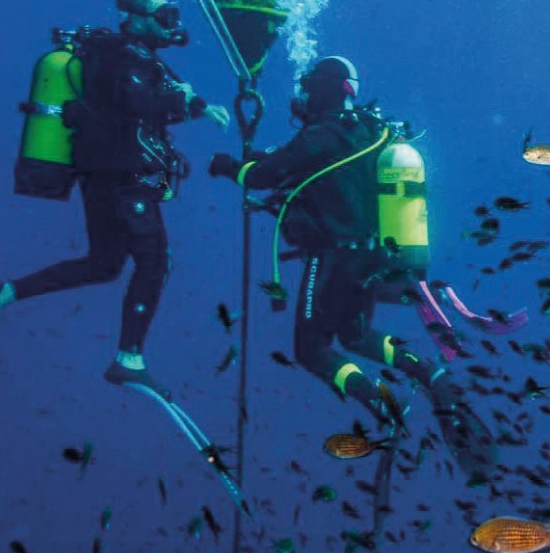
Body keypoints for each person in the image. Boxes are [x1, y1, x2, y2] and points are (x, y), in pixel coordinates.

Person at [206, 55, 497, 484]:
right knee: (355, 335)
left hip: (334, 258)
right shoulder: (371, 130)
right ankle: (430, 375)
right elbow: (318, 172)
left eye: (308, 86)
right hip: (374, 259)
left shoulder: (321, 135)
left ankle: (381, 405)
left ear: (324, 89)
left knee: (311, 349)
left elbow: (263, 177)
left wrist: (229, 166)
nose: (302, 95)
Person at [0, 0, 232, 400]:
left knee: (103, 265)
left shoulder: (138, 58)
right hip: (123, 179)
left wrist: (199, 106)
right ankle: (129, 360)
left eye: (173, 18)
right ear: (136, 16)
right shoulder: (120, 54)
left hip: (106, 177)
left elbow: (164, 91)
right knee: (155, 262)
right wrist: (182, 105)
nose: (172, 26)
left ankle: (0, 294)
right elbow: (138, 102)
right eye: (164, 17)